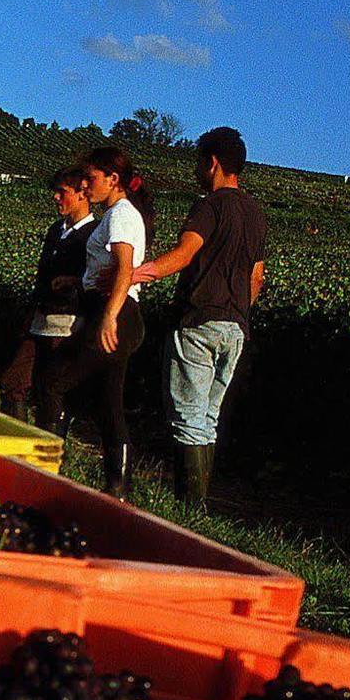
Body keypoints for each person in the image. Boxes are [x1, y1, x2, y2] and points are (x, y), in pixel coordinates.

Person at [132, 126, 266, 505]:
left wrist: (138, 272)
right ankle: (198, 508)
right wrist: (237, 312)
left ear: (211, 164)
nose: (195, 171)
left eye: (197, 163)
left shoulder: (209, 206)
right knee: (208, 418)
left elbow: (184, 254)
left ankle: (188, 508)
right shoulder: (255, 213)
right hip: (236, 326)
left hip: (198, 322)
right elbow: (256, 277)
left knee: (188, 417)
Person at [35, 146, 155, 499]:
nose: (85, 186)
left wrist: (108, 318)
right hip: (114, 311)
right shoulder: (115, 215)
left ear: (112, 180)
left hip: (115, 314)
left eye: (91, 179)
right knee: (108, 403)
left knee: (54, 382)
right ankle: (117, 488)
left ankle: (44, 470)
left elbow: (124, 268)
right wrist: (78, 282)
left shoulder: (120, 215)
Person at [0, 167, 94, 418]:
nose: (56, 197)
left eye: (62, 192)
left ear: (82, 194)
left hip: (67, 322)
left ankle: (50, 448)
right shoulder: (56, 229)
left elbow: (97, 278)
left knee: (50, 389)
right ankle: (15, 445)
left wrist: (74, 283)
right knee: (13, 382)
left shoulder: (93, 234)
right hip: (40, 318)